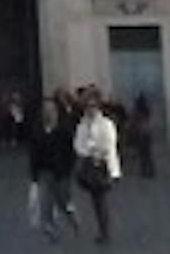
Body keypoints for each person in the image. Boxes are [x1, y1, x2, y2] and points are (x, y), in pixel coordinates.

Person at [72, 87, 120, 245]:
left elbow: (110, 146)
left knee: (100, 200)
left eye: (92, 106)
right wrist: (87, 150)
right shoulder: (82, 124)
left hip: (102, 166)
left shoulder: (106, 124)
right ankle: (103, 229)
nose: (90, 109)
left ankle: (104, 231)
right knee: (96, 200)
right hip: (89, 166)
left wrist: (113, 171)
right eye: (87, 106)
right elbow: (78, 144)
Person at [26, 96, 77, 240]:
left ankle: (73, 219)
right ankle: (50, 228)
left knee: (63, 201)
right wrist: (34, 173)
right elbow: (33, 153)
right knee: (46, 201)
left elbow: (70, 153)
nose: (48, 113)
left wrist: (68, 169)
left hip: (61, 172)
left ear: (56, 112)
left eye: (51, 110)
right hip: (44, 171)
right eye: (45, 110)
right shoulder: (37, 131)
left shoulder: (64, 131)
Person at [127, 92, 157, 180]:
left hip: (140, 134)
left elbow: (133, 122)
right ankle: (150, 171)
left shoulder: (136, 112)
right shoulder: (146, 110)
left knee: (142, 154)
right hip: (146, 134)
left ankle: (145, 171)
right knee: (147, 154)